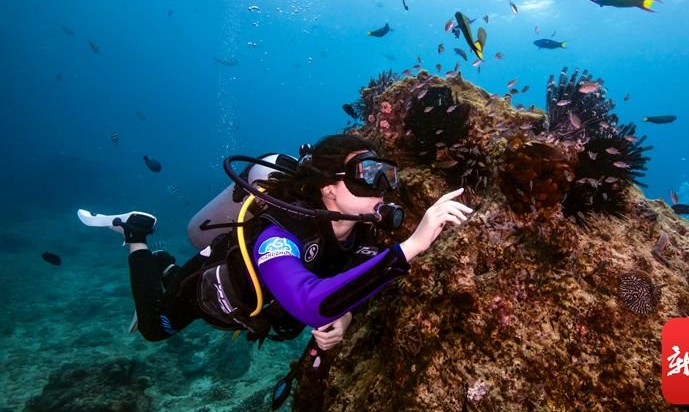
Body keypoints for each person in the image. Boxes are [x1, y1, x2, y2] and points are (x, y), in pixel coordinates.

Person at [79, 134, 472, 353]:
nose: (383, 187)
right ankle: (136, 235)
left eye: (387, 174)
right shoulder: (279, 232)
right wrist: (414, 244)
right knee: (153, 328)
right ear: (329, 189)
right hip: (207, 295)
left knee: (165, 287)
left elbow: (345, 286)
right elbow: (310, 301)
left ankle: (163, 262)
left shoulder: (360, 231)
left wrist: (345, 319)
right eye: (368, 175)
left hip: (252, 309)